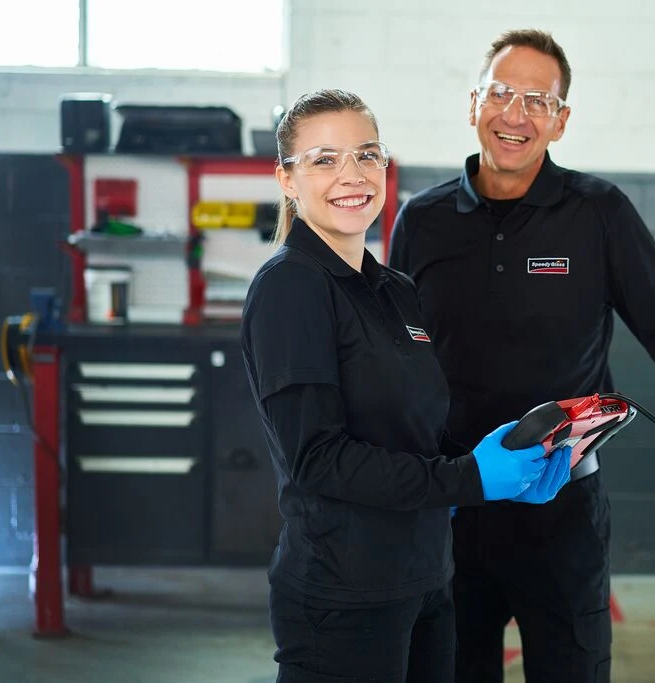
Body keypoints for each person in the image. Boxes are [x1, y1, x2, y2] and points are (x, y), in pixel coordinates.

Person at [388, 30, 655, 682]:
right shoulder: (422, 221)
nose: (515, 115)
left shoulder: (598, 214)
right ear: (473, 104)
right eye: (501, 93)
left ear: (561, 121)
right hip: (453, 505)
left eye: (538, 101)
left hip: (561, 512)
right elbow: (398, 361)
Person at [240, 88, 574, 683]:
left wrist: (496, 467)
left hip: (424, 582)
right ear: (287, 179)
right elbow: (318, 459)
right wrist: (469, 477)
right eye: (325, 159)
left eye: (367, 155)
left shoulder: (394, 289)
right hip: (344, 593)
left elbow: (414, 435)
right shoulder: (289, 289)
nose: (353, 175)